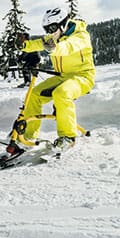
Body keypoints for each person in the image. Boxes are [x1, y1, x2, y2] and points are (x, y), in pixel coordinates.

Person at [17, 9, 95, 150]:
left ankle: (68, 137)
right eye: (47, 29)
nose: (50, 32)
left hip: (83, 76)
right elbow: (38, 43)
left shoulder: (81, 35)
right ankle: (29, 135)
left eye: (52, 28)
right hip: (63, 76)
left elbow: (68, 47)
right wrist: (23, 45)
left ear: (63, 23)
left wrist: (54, 48)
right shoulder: (54, 36)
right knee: (34, 94)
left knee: (61, 93)